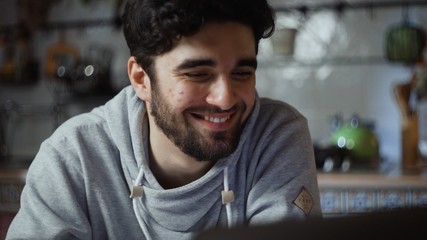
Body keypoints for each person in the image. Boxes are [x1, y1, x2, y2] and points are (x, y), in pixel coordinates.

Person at [7, 0, 321, 239]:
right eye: (198, 74)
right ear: (141, 79)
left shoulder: (275, 136)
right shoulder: (73, 156)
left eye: (242, 72)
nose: (225, 98)